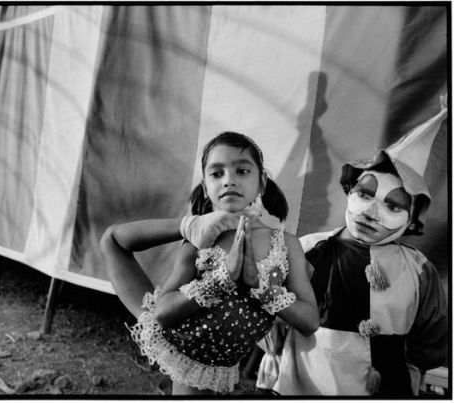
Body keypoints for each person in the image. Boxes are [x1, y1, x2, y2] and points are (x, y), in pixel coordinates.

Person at [100, 132, 319, 394]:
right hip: (183, 349)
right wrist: (221, 276)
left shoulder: (285, 243)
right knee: (111, 241)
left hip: (222, 362)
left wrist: (260, 286)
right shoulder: (200, 240)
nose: (229, 180)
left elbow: (310, 321)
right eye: (216, 174)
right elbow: (163, 313)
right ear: (205, 187)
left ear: (261, 182)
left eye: (241, 171)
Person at [261, 97, 449, 396]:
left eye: (392, 205)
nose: (370, 212)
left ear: (412, 219)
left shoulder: (419, 270)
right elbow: (270, 318)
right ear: (350, 190)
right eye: (365, 194)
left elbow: (431, 344)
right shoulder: (308, 248)